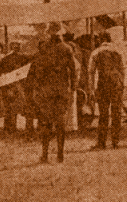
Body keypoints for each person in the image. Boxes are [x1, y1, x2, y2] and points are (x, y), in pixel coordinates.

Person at [25, 22, 76, 163]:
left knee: (45, 123)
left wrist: (35, 86)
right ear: (61, 33)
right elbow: (72, 70)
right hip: (62, 90)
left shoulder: (44, 47)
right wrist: (73, 88)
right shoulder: (67, 48)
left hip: (46, 91)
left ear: (49, 33)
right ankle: (60, 155)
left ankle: (45, 154)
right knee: (60, 123)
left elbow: (35, 69)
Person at [88, 15, 125, 150]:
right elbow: (122, 69)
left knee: (103, 114)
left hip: (103, 84)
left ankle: (101, 142)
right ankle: (115, 142)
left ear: (100, 40)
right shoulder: (118, 51)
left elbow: (91, 73)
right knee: (116, 113)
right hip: (117, 84)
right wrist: (122, 84)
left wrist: (91, 90)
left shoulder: (96, 52)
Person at [0, 40, 33, 133]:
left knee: (11, 107)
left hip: (14, 85)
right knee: (13, 106)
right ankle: (12, 128)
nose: (17, 48)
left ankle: (10, 128)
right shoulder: (19, 57)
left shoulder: (14, 57)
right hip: (14, 85)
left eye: (18, 46)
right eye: (15, 46)